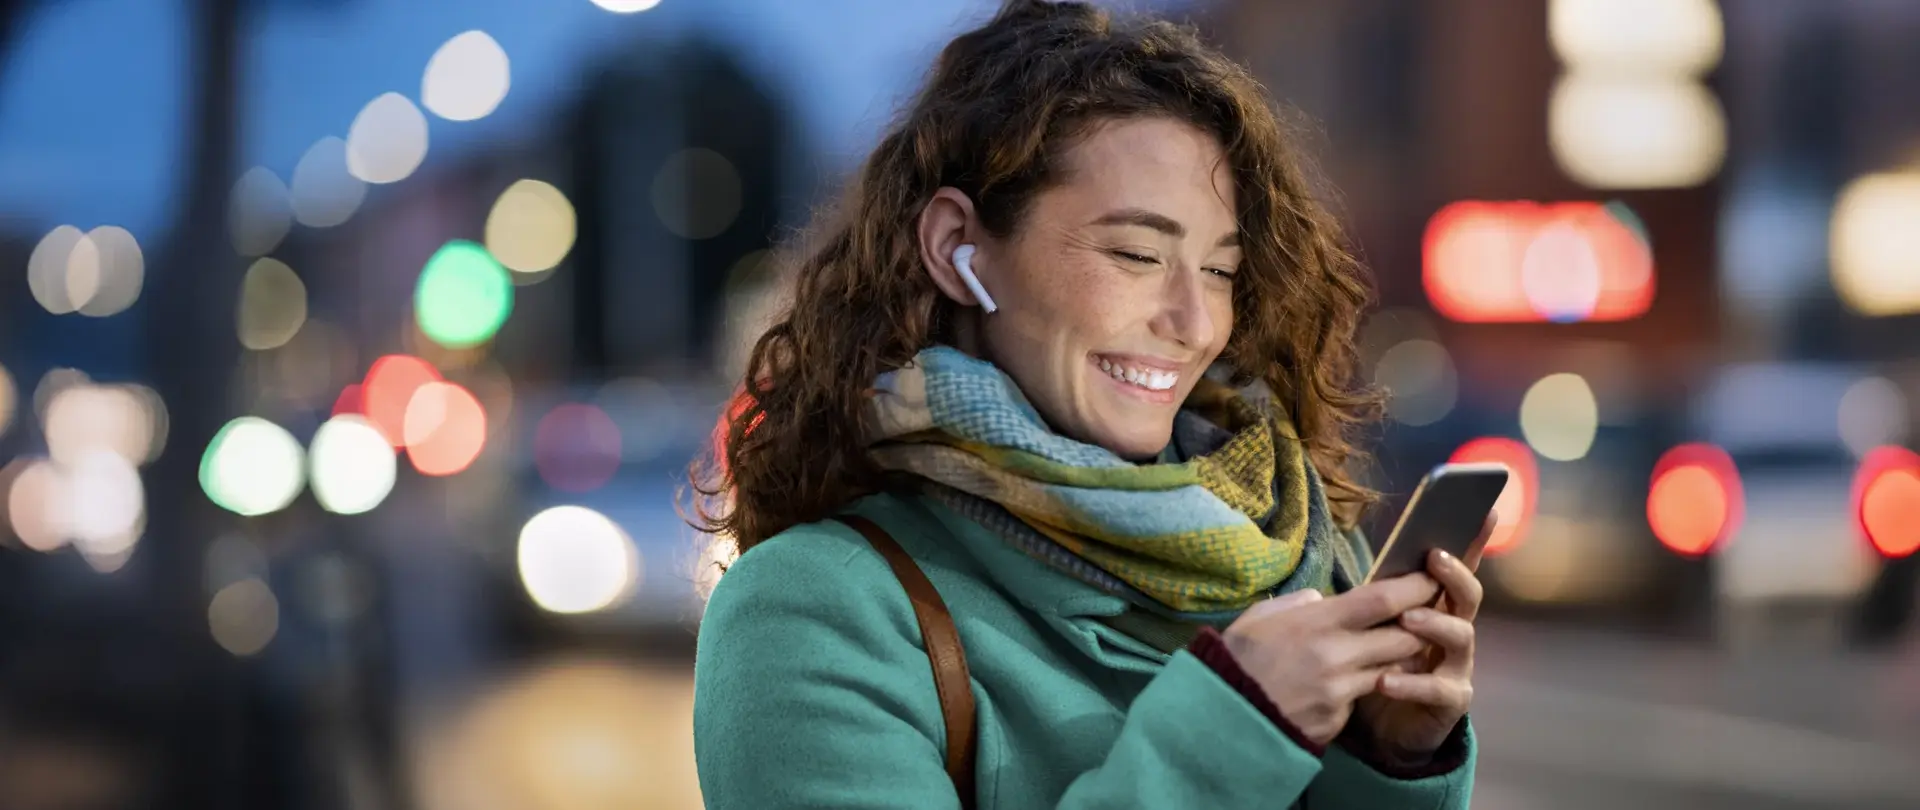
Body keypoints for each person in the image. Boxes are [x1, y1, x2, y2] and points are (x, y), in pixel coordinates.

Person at [689, 1, 1485, 807]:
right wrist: (1235, 731)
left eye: (1220, 271)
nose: (1195, 324)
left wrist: (1387, 756)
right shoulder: (813, 607)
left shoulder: (1303, 550)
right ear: (957, 247)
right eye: (1136, 254)